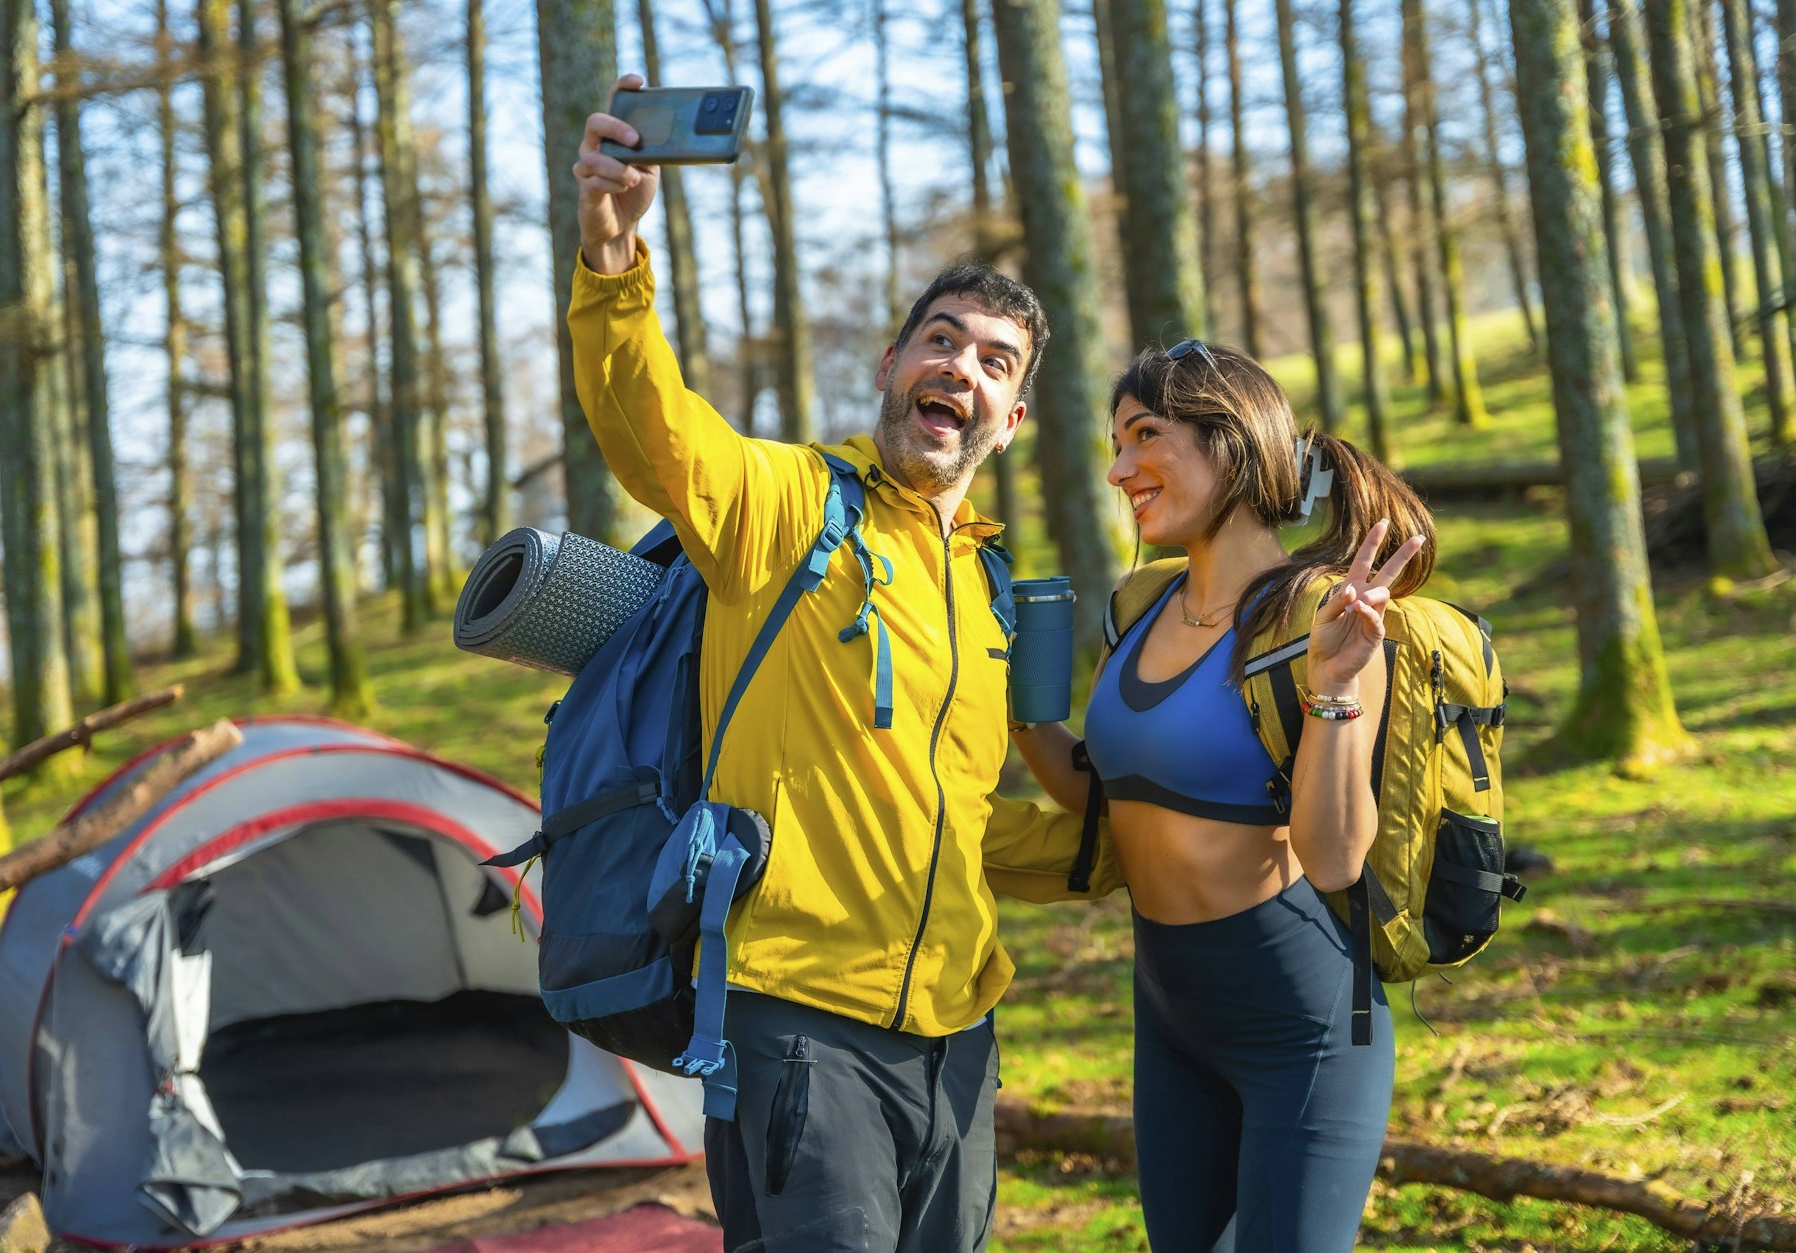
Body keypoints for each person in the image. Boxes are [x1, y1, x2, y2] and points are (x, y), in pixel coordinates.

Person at [570, 76, 1120, 1253]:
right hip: (795, 1018)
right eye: (940, 339)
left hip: (956, 1034)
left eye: (993, 360)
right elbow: (648, 423)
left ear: (1012, 418)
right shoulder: (784, 508)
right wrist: (614, 259)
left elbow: (954, 821)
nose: (960, 368)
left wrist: (1132, 846)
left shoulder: (983, 590)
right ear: (889, 364)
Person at [1012, 340, 1431, 1251]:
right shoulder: (1141, 606)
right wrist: (1021, 706)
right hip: (1169, 1012)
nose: (1120, 468)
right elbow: (1105, 797)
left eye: (1144, 436)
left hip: (1303, 1024)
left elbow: (1332, 856)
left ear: (1230, 442)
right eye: (1115, 442)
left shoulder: (1322, 613)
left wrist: (1335, 684)